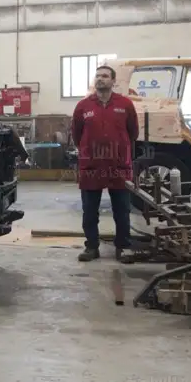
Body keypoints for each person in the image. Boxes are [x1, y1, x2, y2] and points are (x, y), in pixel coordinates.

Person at [71, 65, 139, 262]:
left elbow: (133, 132)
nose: (100, 79)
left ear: (113, 81)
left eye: (105, 76)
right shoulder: (83, 106)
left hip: (119, 166)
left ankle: (123, 247)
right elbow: (76, 135)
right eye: (98, 76)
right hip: (91, 167)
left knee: (122, 210)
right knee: (90, 211)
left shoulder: (125, 104)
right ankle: (91, 247)